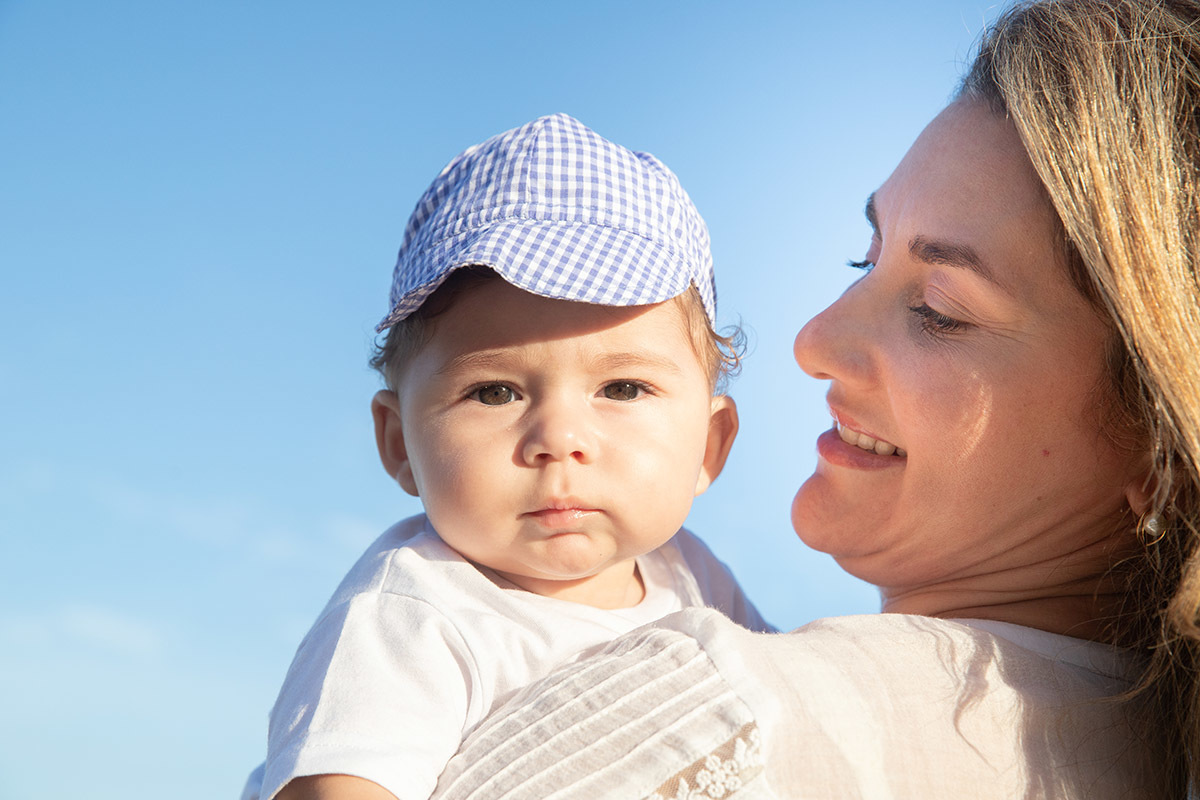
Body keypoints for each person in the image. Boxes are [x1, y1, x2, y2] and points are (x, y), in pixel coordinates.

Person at [422, 2, 1200, 798]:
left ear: (1158, 441)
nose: (813, 340)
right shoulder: (1152, 757)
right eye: (863, 260)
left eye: (940, 310)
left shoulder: (715, 716)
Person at [240, 113, 771, 800]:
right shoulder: (412, 614)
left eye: (622, 387)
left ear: (712, 442)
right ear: (400, 443)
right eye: (495, 391)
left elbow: (790, 702)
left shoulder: (694, 579)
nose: (559, 438)